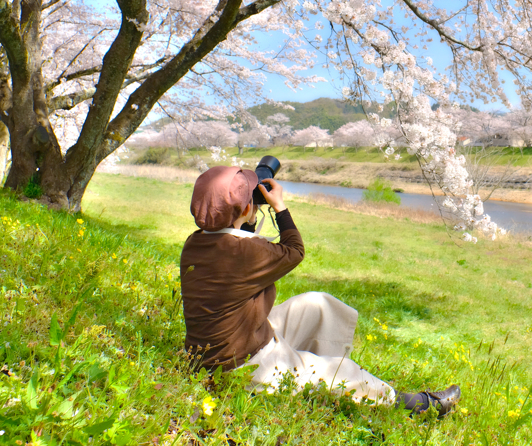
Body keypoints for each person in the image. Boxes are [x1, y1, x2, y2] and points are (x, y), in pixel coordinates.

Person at [180, 165, 460, 416]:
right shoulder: (246, 251)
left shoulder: (195, 244)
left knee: (316, 304)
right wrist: (278, 206)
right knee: (346, 373)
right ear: (243, 210)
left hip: (227, 345)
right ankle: (413, 404)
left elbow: (236, 235)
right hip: (244, 367)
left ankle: (313, 374)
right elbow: (294, 251)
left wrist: (244, 213)